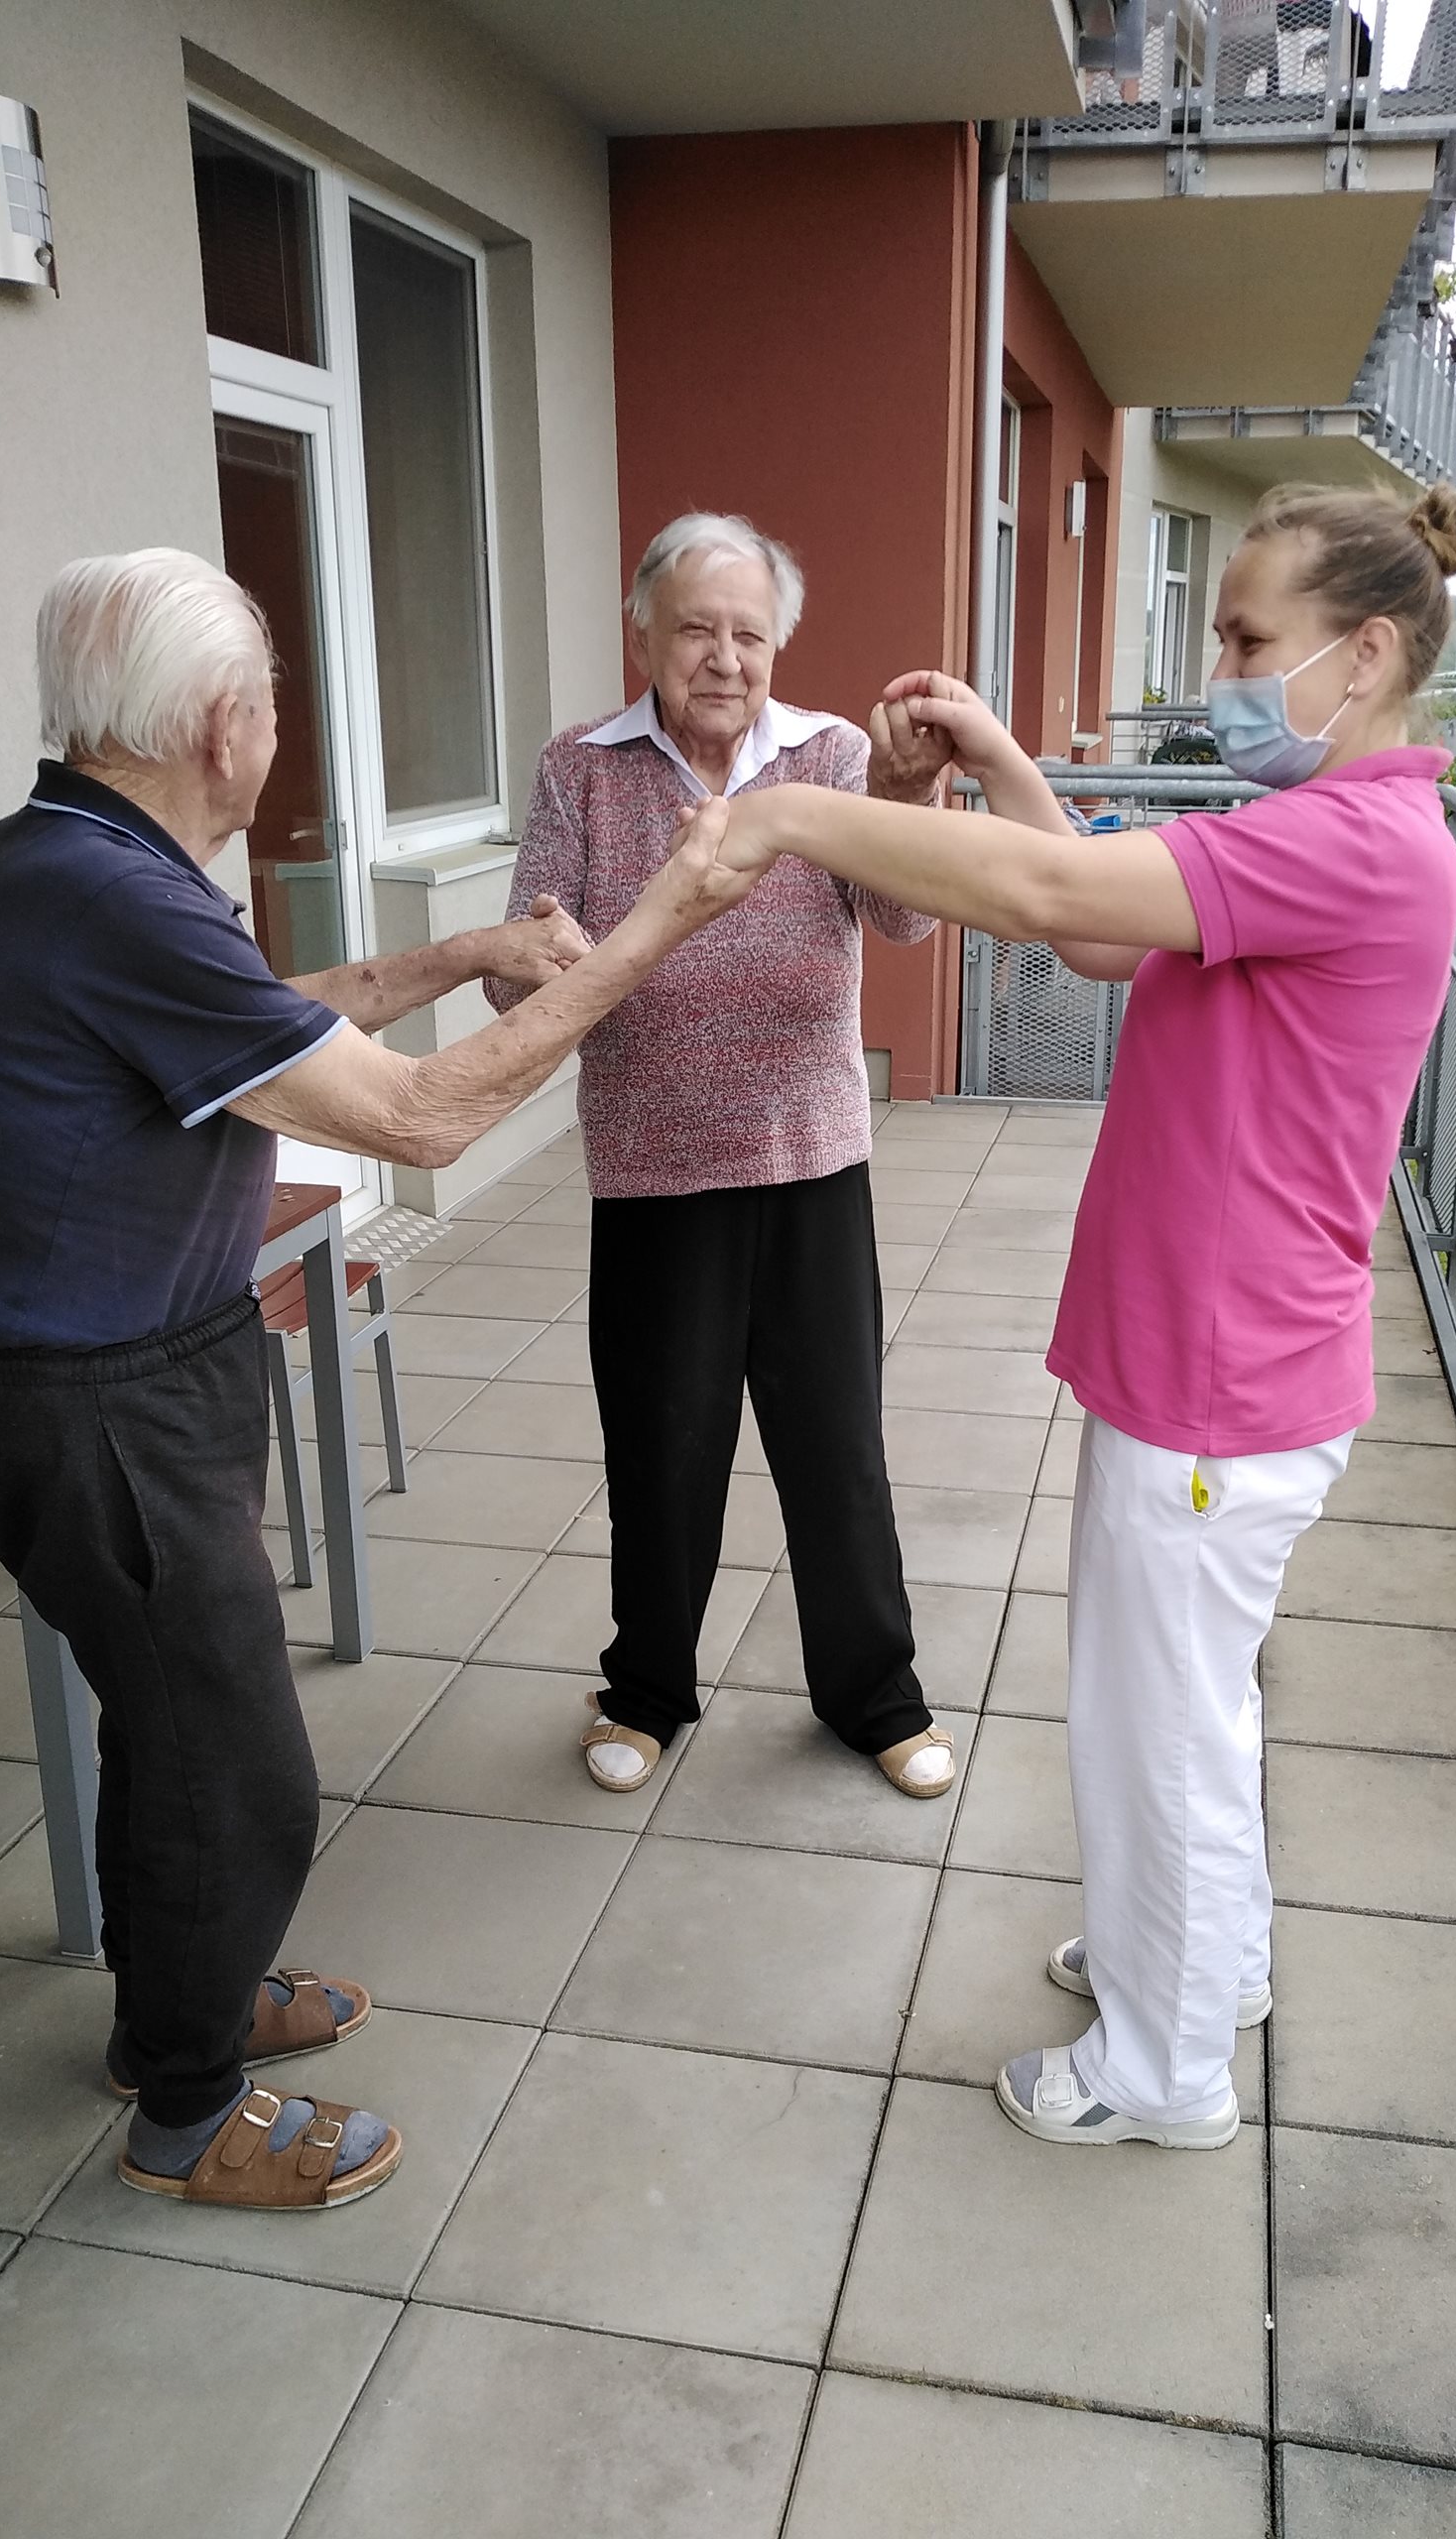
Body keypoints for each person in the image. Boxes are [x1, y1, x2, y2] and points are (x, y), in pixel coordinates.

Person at [0, 547, 766, 2211]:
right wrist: (658, 925)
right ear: (220, 726)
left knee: (169, 1725)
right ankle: (185, 2116)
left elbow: (261, 1023)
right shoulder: (111, 894)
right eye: (270, 704)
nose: (272, 734)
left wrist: (463, 957)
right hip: (93, 1398)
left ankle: (179, 2010)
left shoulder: (51, 863)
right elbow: (424, 1121)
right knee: (241, 1768)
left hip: (115, 1371)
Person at [713, 482, 1456, 2147]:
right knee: (1192, 1714)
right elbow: (1109, 941)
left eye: (1249, 642)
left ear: (1363, 656)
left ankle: (1162, 2070)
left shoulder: (1349, 841)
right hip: (1218, 1365)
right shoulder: (1330, 830)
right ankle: (1207, 1968)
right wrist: (1002, 757)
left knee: (1159, 1738)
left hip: (1218, 1379)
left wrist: (792, 816)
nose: (1223, 674)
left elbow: (1052, 905)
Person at [493, 511, 956, 1800]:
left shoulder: (832, 756)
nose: (724, 656)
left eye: (749, 633)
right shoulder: (581, 771)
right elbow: (523, 967)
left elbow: (905, 917)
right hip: (655, 1170)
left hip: (813, 1161)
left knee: (835, 1450)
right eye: (696, 628)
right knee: (662, 1450)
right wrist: (536, 955)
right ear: (642, 630)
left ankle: (876, 1697)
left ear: (778, 644)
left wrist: (907, 795)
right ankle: (646, 1689)